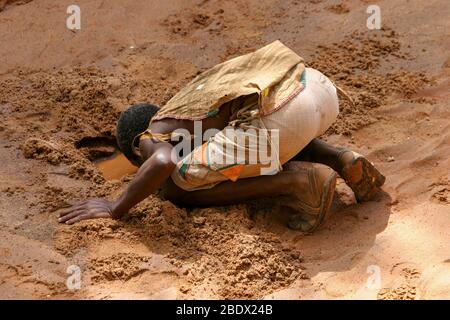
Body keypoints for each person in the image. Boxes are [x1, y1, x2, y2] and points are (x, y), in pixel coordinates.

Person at [58, 41, 385, 232]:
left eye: (135, 161)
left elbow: (163, 160)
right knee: (252, 140)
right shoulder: (189, 110)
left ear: (134, 145)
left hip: (283, 117)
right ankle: (340, 159)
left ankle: (300, 183)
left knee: (176, 185)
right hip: (316, 88)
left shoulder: (151, 132)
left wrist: (117, 205)